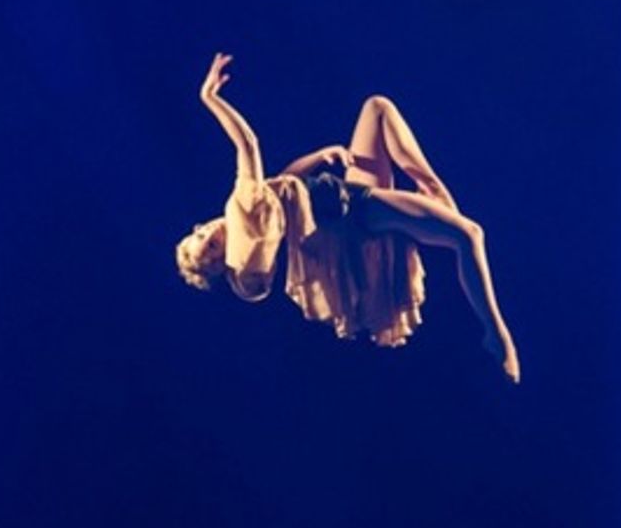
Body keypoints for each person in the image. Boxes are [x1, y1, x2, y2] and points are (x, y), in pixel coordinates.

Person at [177, 56, 520, 382]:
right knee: (469, 235)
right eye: (210, 250)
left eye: (200, 236)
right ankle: (496, 333)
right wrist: (210, 98)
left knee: (378, 108)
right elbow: (248, 144)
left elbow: (281, 185)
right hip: (355, 213)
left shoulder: (248, 213)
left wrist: (319, 156)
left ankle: (437, 197)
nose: (209, 237)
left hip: (344, 195)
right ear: (221, 261)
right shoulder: (241, 224)